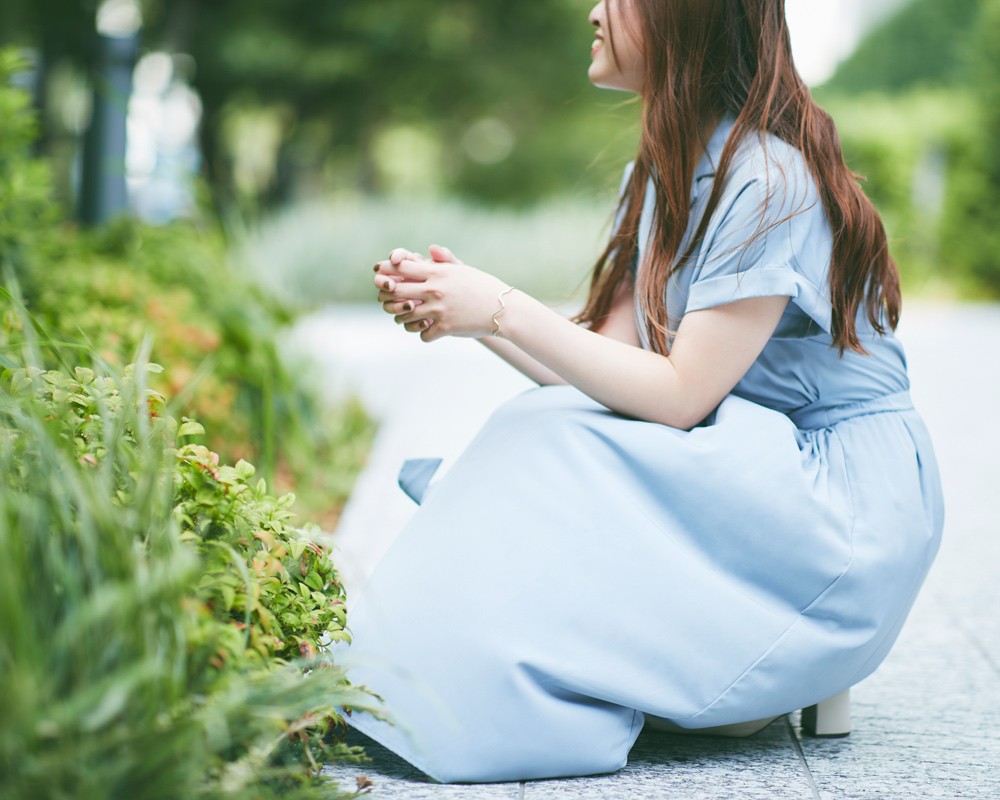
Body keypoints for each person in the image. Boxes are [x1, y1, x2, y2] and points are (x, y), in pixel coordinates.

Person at [336, 0, 944, 784]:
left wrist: (502, 304)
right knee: (547, 423)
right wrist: (474, 319)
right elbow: (608, 371)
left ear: (682, 21)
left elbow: (681, 395)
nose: (592, 12)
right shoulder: (660, 173)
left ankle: (441, 700)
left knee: (550, 435)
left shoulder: (767, 178)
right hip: (753, 463)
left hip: (840, 506)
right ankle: (405, 679)